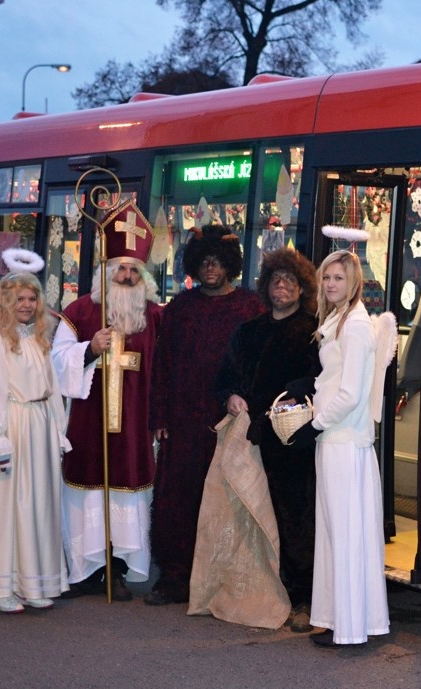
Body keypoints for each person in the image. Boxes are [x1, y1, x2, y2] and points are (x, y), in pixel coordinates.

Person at [51, 200, 163, 601]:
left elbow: (165, 368)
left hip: (135, 423)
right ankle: (84, 571)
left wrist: (161, 414)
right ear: (106, 270)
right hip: (88, 421)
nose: (128, 275)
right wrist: (89, 349)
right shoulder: (80, 312)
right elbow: (57, 361)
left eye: (135, 269)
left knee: (127, 494)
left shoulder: (155, 316)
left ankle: (117, 565)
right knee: (86, 493)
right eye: (121, 268)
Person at [146, 225, 264, 605]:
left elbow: (262, 363)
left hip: (232, 419)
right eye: (204, 261)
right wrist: (160, 414)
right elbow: (162, 365)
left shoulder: (251, 307)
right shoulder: (180, 308)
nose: (210, 268)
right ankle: (174, 577)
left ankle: (222, 580)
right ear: (195, 264)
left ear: (230, 264)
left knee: (229, 501)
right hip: (183, 420)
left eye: (217, 261)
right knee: (177, 499)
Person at [215, 248, 320, 632]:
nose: (282, 286)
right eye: (276, 279)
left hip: (295, 444)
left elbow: (322, 381)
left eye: (290, 280)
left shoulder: (315, 330)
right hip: (253, 439)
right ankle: (262, 590)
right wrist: (230, 395)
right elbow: (224, 376)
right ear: (266, 286)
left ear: (302, 288)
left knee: (296, 520)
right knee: (255, 518)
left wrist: (298, 398)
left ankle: (302, 599)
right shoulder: (249, 331)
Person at [290, 249, 390, 647]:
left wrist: (312, 424)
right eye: (326, 277)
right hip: (338, 438)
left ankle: (349, 627)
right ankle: (337, 619)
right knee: (335, 534)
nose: (331, 284)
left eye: (338, 278)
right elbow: (337, 382)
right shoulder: (340, 320)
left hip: (343, 440)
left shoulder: (355, 326)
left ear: (353, 282)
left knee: (344, 535)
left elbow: (350, 393)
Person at [0, 270, 71, 612]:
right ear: (6, 301)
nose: (26, 305)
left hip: (38, 430)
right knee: (6, 507)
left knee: (37, 506)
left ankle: (32, 582)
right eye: (19, 299)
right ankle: (0, 587)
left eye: (32, 298)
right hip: (10, 430)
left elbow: (52, 390)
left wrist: (58, 430)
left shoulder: (39, 338)